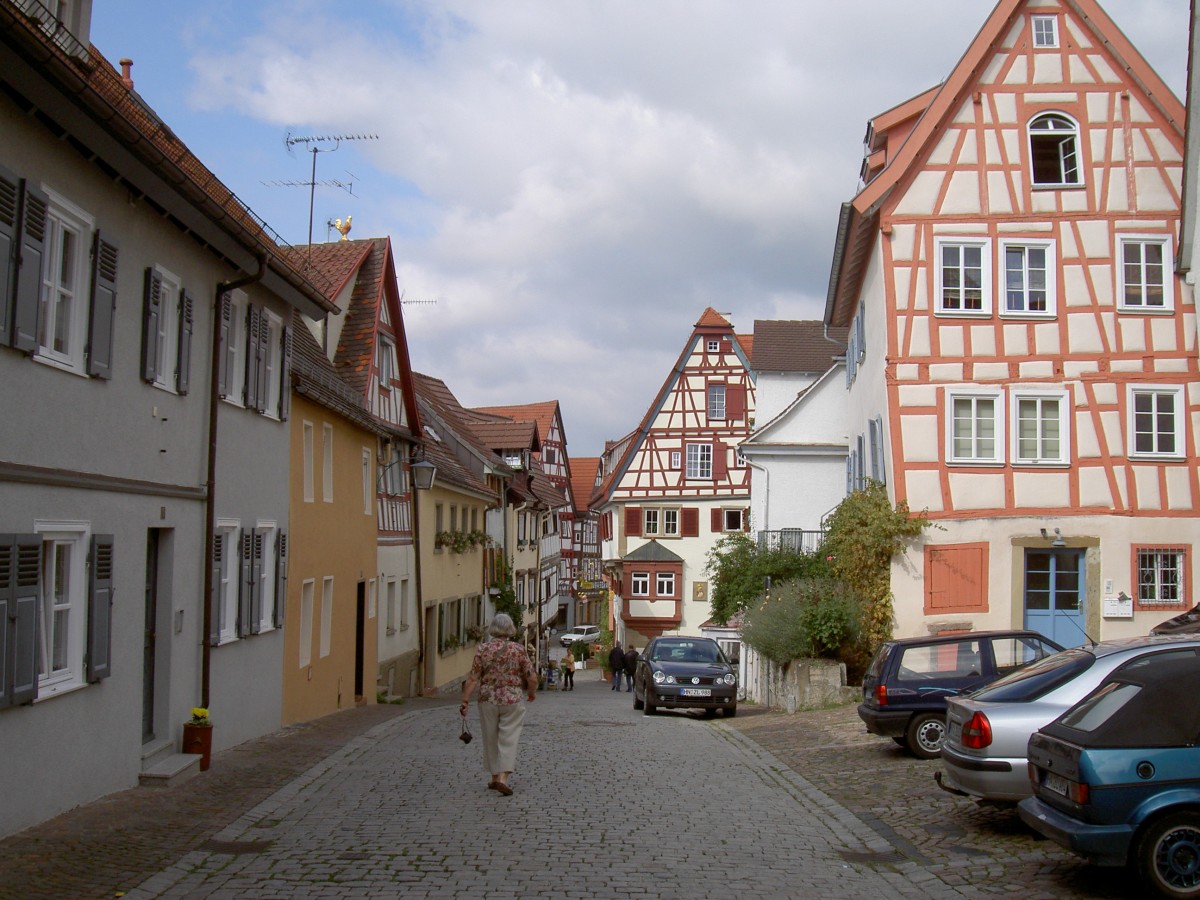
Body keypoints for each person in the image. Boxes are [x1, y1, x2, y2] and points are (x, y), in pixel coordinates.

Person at [460, 613, 538, 796]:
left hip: (487, 699)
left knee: (490, 737)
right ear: (510, 629)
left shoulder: (483, 649)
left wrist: (465, 700)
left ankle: (494, 777)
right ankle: (503, 778)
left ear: (493, 629)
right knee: (509, 737)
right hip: (512, 699)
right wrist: (531, 693)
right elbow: (531, 677)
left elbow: (473, 678)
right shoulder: (518, 650)